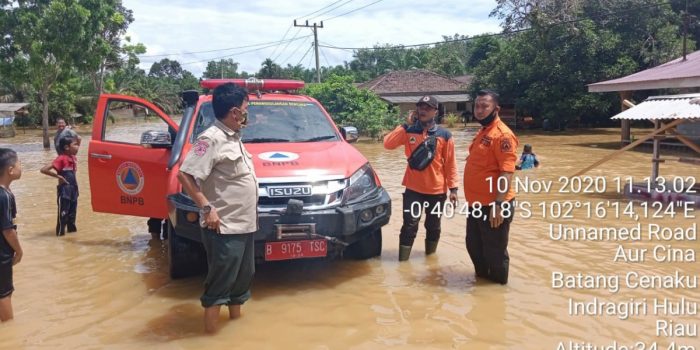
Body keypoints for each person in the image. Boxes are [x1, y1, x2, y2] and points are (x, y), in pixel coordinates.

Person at [177, 83, 257, 334]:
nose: (247, 113)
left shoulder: (234, 138)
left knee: (241, 282)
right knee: (220, 285)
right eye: (246, 109)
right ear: (235, 112)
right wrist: (206, 207)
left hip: (244, 224)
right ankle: (210, 337)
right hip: (224, 227)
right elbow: (185, 175)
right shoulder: (210, 139)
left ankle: (235, 330)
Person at [383, 95, 458, 261]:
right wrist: (405, 125)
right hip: (413, 190)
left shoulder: (444, 135)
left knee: (433, 226)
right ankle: (403, 263)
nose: (423, 110)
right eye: (420, 107)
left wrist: (453, 189)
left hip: (437, 191)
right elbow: (387, 144)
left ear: (435, 111)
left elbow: (450, 163)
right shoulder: (409, 131)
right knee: (409, 226)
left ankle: (430, 260)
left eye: (427, 108)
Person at [463, 90, 518, 285]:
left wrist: (498, 203)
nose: (479, 110)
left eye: (484, 106)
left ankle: (497, 292)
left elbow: (506, 171)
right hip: (477, 205)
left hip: (494, 205)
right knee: (474, 247)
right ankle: (482, 285)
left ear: (496, 109)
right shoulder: (483, 131)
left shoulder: (502, 136)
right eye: (477, 106)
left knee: (495, 253)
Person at [41, 136, 80, 236]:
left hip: (73, 190)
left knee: (72, 215)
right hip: (64, 191)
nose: (78, 147)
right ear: (67, 147)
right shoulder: (61, 158)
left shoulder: (73, 158)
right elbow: (44, 169)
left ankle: (71, 237)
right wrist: (58, 176)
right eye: (75, 145)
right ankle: (60, 235)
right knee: (63, 215)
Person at [0, 148, 22, 322]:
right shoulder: (4, 196)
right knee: (4, 293)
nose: (20, 167)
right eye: (19, 163)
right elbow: (8, 230)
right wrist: (19, 251)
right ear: (10, 170)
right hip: (2, 253)